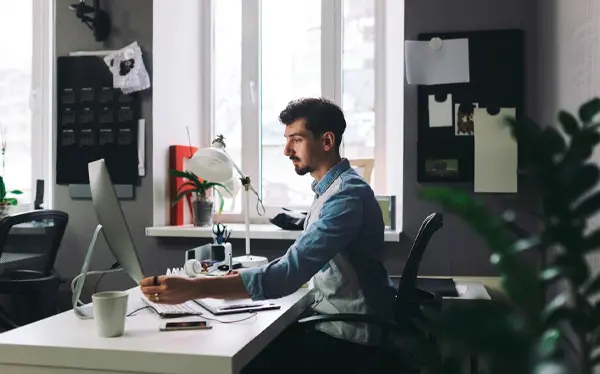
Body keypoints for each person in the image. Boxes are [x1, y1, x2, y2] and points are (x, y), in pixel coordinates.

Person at [140, 97, 397, 373]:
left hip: (350, 337)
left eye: (296, 140)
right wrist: (235, 281)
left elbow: (290, 272)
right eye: (287, 140)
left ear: (327, 141)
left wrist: (195, 288)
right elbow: (303, 262)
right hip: (335, 322)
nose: (286, 150)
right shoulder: (331, 190)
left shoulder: (345, 197)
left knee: (243, 359)